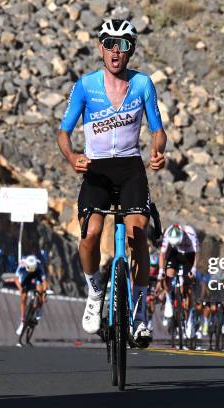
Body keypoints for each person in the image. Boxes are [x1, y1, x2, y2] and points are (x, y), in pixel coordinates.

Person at [57, 18, 167, 348]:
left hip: (131, 168)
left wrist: (158, 150)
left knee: (138, 235)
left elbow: (157, 130)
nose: (115, 51)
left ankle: (141, 313)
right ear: (100, 47)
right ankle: (94, 292)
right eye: (108, 43)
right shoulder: (85, 85)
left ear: (131, 49)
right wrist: (72, 157)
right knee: (90, 235)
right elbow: (63, 132)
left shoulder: (143, 84)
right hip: (97, 170)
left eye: (122, 45)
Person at [158, 224, 200, 320]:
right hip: (175, 253)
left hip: (190, 254)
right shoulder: (169, 232)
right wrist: (161, 271)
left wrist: (194, 269)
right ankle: (168, 298)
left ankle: (189, 316)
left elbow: (197, 253)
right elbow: (162, 254)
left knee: (187, 286)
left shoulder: (190, 233)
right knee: (168, 274)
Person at [14, 255, 48, 336]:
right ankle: (22, 320)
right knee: (23, 297)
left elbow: (44, 282)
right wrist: (20, 288)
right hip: (26, 276)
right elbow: (16, 279)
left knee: (40, 290)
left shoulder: (39, 266)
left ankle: (39, 307)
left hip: (37, 276)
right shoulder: (22, 265)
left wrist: (44, 294)